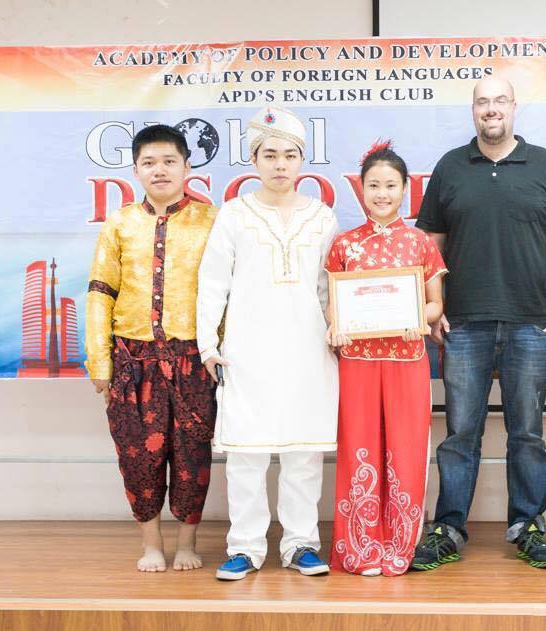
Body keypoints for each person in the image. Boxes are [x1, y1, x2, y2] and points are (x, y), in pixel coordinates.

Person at [411, 76, 546, 570]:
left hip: (531, 322)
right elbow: (430, 244)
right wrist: (434, 305)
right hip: (464, 325)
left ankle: (528, 526)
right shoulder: (450, 166)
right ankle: (447, 528)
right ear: (473, 110)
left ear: (513, 107)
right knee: (460, 433)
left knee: (527, 433)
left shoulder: (544, 165)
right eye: (482, 102)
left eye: (499, 100)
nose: (491, 109)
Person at [196, 105, 339, 581]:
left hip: (308, 349)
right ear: (254, 160)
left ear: (302, 161)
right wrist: (207, 345)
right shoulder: (235, 214)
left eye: (290, 155)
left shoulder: (322, 216)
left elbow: (328, 288)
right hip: (248, 351)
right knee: (246, 454)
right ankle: (245, 547)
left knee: (303, 453)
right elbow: (213, 282)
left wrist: (337, 331)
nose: (281, 164)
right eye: (270, 155)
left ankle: (301, 544)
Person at [85, 124, 218, 572]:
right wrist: (99, 361)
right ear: (136, 169)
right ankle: (151, 545)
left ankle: (187, 544)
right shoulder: (120, 223)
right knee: (138, 458)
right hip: (132, 361)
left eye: (168, 161)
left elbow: (224, 294)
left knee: (193, 456)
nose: (159, 170)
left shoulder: (212, 221)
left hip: (193, 360)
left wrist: (221, 352)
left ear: (187, 166)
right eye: (149, 163)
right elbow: (100, 292)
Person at [325, 141, 447, 576]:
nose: (382, 193)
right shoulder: (344, 245)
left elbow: (435, 305)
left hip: (407, 360)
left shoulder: (420, 243)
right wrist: (336, 325)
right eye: (374, 185)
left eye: (390, 185)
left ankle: (399, 545)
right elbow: (333, 305)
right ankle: (360, 546)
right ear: (361, 189)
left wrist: (419, 318)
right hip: (357, 362)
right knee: (359, 448)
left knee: (404, 450)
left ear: (405, 189)